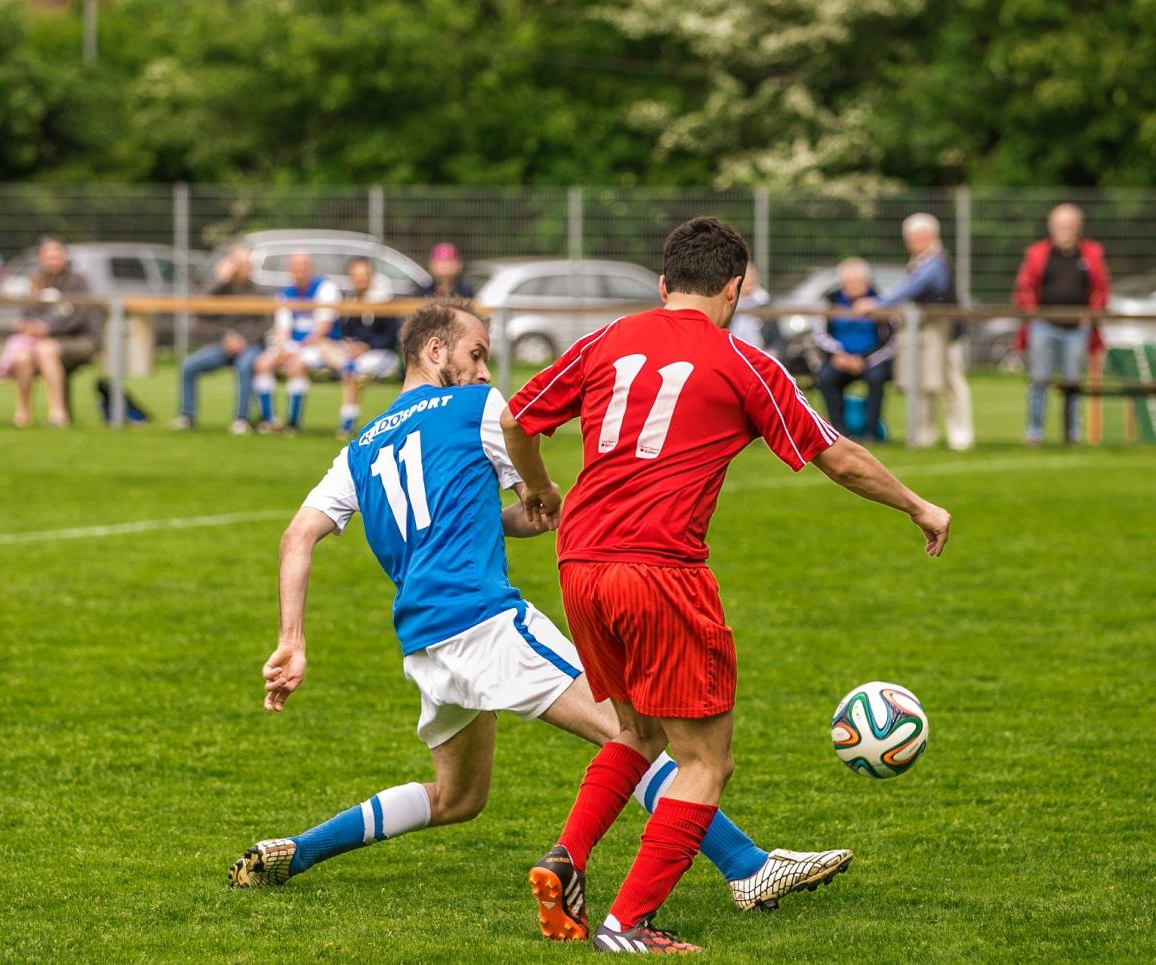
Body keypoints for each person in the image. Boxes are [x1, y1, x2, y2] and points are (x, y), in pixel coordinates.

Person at [229, 298, 853, 927]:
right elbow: (527, 457)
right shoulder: (480, 408)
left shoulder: (360, 446)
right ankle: (748, 867)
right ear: (434, 351)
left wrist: (292, 639)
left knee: (456, 797)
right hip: (486, 621)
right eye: (475, 354)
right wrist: (542, 492)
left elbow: (297, 537)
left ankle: (298, 851)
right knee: (631, 733)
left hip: (423, 639)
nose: (482, 369)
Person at [501, 217, 950, 955]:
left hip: (580, 564)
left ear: (662, 282)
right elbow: (836, 456)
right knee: (707, 760)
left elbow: (520, 417)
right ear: (735, 288)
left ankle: (567, 858)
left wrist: (542, 489)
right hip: (661, 570)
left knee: (638, 733)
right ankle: (628, 923)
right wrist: (916, 503)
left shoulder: (604, 339)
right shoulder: (745, 362)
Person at [853, 213, 972, 450]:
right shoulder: (919, 260)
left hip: (945, 334)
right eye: (909, 238)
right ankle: (923, 435)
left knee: (951, 384)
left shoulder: (936, 262)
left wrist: (877, 305)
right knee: (923, 383)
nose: (910, 242)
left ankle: (961, 436)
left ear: (931, 235)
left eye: (915, 237)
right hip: (924, 332)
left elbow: (910, 288)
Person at [1013, 203, 1109, 444]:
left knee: (1073, 383)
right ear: (1051, 228)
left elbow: (1101, 289)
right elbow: (1024, 288)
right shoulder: (1037, 253)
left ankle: (1072, 433)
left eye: (1069, 225)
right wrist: (1032, 313)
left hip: (1078, 328)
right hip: (1043, 325)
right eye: (1059, 225)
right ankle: (1034, 432)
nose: (1064, 230)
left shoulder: (1092, 253)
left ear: (1078, 228)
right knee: (1039, 380)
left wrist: (1092, 315)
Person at [170, 246, 264, 434]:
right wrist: (220, 281)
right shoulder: (220, 290)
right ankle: (186, 416)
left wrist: (244, 340)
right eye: (240, 264)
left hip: (250, 345)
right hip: (224, 344)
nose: (247, 268)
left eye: (248, 264)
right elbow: (200, 310)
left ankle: (241, 419)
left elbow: (266, 324)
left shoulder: (259, 292)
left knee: (245, 366)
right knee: (188, 366)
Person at [9, 238, 102, 428]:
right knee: (22, 356)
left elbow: (80, 316)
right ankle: (23, 413)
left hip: (79, 340)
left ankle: (58, 414)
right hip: (42, 342)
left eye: (56, 256)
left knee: (46, 350)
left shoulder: (78, 281)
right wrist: (26, 326)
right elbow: (28, 312)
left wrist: (48, 329)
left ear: (64, 256)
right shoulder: (35, 280)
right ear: (40, 258)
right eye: (48, 256)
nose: (53, 260)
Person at [252, 252, 343, 434]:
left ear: (310, 269)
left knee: (297, 365)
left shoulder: (326, 289)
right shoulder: (286, 294)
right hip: (293, 346)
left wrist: (295, 350)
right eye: (295, 269)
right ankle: (270, 421)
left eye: (302, 269)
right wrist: (283, 348)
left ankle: (293, 423)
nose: (299, 273)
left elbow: (322, 329)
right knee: (262, 363)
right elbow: (282, 329)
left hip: (322, 346)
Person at [814, 258, 896, 440]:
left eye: (856, 282)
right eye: (847, 283)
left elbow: (889, 342)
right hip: (840, 359)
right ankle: (838, 432)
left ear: (866, 282)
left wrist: (864, 360)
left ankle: (871, 432)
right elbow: (820, 335)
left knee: (876, 378)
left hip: (871, 360)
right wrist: (839, 356)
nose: (851, 286)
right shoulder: (830, 302)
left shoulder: (880, 302)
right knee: (825, 378)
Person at [336, 256, 401, 438]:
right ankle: (347, 423)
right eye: (356, 275)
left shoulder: (383, 301)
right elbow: (346, 332)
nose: (360, 279)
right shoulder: (351, 300)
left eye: (364, 275)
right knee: (348, 365)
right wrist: (352, 344)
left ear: (371, 276)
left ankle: (347, 424)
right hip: (357, 353)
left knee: (354, 370)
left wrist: (366, 346)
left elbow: (390, 337)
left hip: (383, 354)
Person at [727, 261, 770, 349]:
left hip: (759, 349)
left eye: (752, 277)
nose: (749, 281)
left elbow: (776, 336)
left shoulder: (764, 300)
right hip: (733, 348)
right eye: (746, 278)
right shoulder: (729, 301)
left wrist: (774, 350)